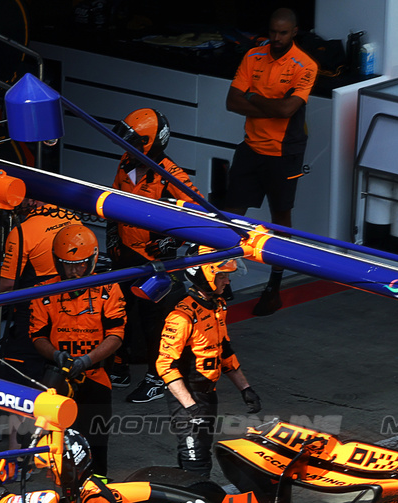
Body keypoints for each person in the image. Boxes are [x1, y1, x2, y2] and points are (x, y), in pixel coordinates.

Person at [223, 7, 318, 302]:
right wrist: (268, 105)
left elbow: (287, 110)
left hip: (284, 154)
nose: (276, 38)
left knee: (280, 220)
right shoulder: (253, 56)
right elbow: (231, 102)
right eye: (273, 32)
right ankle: (219, 278)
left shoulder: (306, 65)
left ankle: (274, 286)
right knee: (230, 216)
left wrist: (251, 96)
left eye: (282, 33)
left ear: (294, 33)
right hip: (250, 147)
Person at [109, 108, 198, 405]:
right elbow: (111, 200)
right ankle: (118, 367)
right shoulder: (125, 163)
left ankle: (156, 377)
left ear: (150, 144)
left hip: (155, 264)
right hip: (124, 255)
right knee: (117, 312)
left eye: (133, 143)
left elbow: (200, 216)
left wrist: (174, 240)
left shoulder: (172, 175)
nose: (125, 148)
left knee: (152, 322)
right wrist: (112, 238)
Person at [0, 200, 82, 450]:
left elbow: (7, 285)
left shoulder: (22, 231)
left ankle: (17, 452)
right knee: (66, 372)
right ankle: (62, 441)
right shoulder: (71, 215)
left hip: (36, 312)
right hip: (76, 310)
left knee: (20, 379)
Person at [157, 249, 263, 478]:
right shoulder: (181, 316)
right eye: (222, 276)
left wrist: (246, 389)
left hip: (207, 394)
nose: (227, 280)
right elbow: (165, 365)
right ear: (204, 275)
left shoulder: (218, 306)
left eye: (227, 276)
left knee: (199, 453)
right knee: (196, 462)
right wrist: (190, 406)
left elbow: (224, 351)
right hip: (188, 397)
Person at [30, 225, 125, 476]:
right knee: (60, 448)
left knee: (97, 444)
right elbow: (37, 335)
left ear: (92, 260)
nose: (73, 271)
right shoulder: (44, 291)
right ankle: (67, 498)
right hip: (59, 380)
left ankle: (99, 493)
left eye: (80, 264)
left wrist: (87, 360)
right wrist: (55, 354)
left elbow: (116, 335)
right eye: (67, 265)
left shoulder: (108, 289)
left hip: (96, 379)